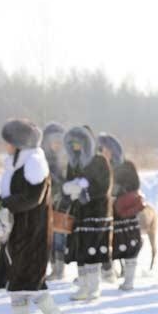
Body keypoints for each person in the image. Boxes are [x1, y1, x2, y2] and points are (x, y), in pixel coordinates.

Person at [0, 119, 63, 314]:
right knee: (17, 275)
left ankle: (52, 313)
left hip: (33, 230)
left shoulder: (34, 164)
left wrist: (5, 204)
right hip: (19, 229)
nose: (6, 145)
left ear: (19, 143)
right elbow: (13, 195)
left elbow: (33, 198)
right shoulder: (16, 164)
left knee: (30, 276)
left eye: (9, 141)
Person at [63, 126, 113, 301]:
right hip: (79, 213)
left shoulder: (99, 161)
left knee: (93, 249)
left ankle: (94, 287)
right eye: (73, 143)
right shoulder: (73, 163)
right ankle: (83, 287)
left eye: (79, 142)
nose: (76, 146)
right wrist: (69, 190)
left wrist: (86, 192)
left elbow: (104, 186)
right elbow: (68, 182)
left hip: (97, 212)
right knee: (80, 249)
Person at [98, 133, 143, 290]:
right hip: (108, 212)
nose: (102, 152)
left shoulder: (127, 166)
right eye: (100, 149)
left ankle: (129, 279)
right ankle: (109, 272)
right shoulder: (100, 167)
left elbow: (135, 185)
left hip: (125, 211)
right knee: (108, 242)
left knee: (129, 243)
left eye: (104, 149)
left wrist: (117, 190)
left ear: (113, 149)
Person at [42, 122, 69, 280]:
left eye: (59, 141)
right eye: (54, 141)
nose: (56, 145)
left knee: (60, 236)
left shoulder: (66, 159)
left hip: (63, 204)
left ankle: (59, 269)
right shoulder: (43, 159)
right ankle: (53, 267)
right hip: (46, 203)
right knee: (49, 237)